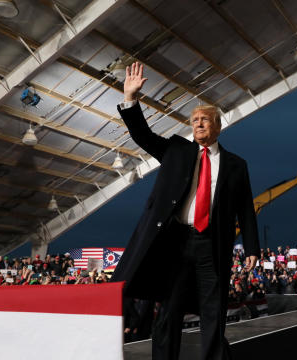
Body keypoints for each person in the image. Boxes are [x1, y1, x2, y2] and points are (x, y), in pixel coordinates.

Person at [110, 62, 260, 360]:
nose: (199, 123)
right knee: (169, 310)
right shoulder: (177, 150)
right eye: (194, 120)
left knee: (212, 310)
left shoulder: (235, 165)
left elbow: (245, 206)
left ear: (217, 126)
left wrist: (253, 247)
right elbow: (144, 136)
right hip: (175, 242)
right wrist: (130, 100)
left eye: (205, 119)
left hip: (212, 244)